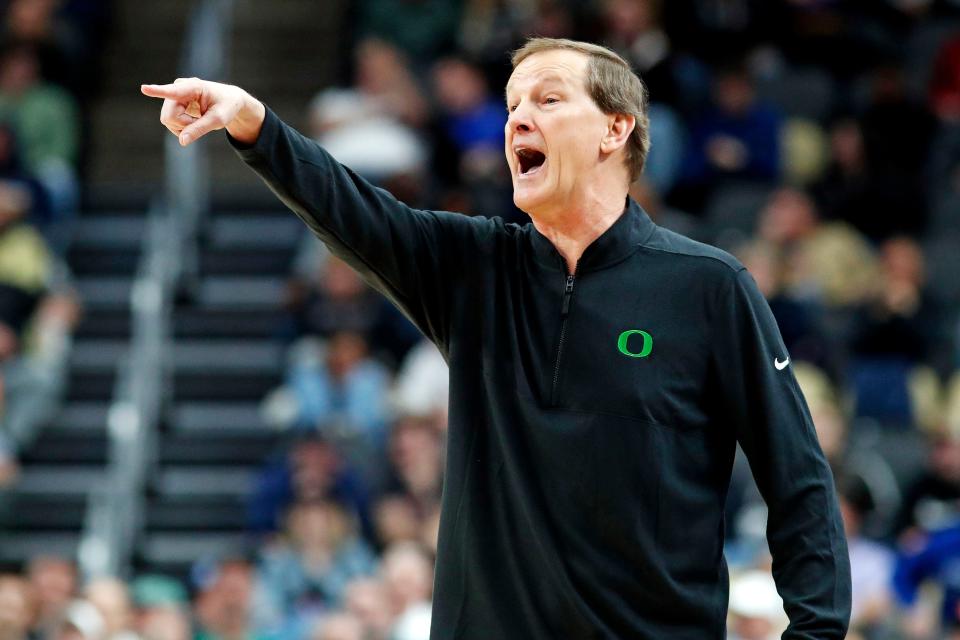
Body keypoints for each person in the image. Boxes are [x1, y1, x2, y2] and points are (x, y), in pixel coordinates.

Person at [142, 36, 850, 638]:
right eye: (511, 105)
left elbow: (799, 481)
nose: (517, 121)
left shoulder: (708, 288)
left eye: (546, 100)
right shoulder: (475, 270)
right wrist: (255, 125)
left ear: (616, 129)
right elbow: (356, 214)